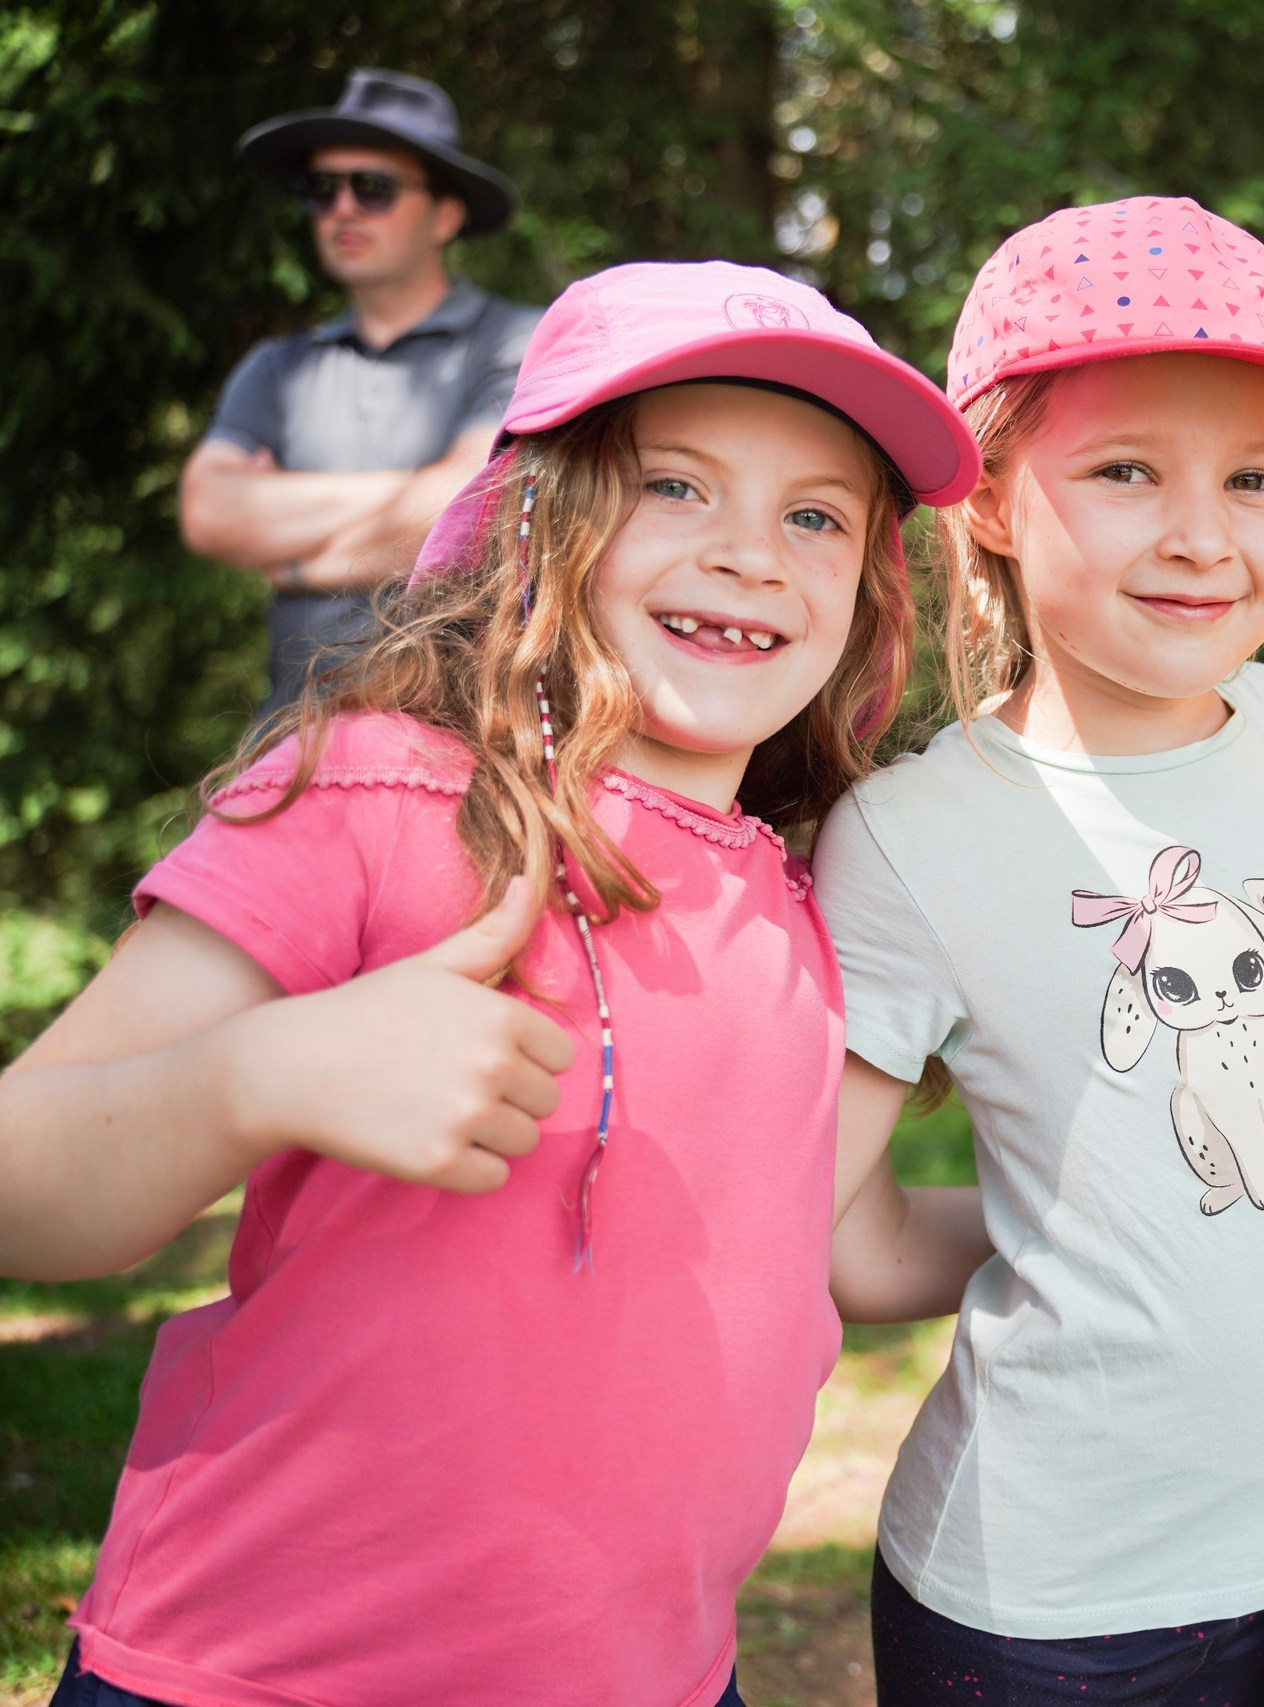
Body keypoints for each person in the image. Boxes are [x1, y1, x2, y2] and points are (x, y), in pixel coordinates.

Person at [0, 260, 989, 1707]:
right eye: (675, 487)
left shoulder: (807, 898)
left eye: (816, 515)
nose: (753, 553)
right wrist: (261, 1072)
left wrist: (1089, 1210)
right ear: (542, 518)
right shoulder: (380, 787)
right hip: (259, 1675)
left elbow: (854, 1242)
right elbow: (28, 1177)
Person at [810, 196, 1264, 1707]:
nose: (1204, 532)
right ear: (997, 501)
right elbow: (836, 1238)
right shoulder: (915, 835)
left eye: (1255, 476)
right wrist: (1075, 1227)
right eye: (1128, 470)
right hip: (1045, 1599)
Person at [181, 69, 543, 723]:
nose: (343, 207)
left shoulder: (522, 341)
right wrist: (416, 502)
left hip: (465, 747)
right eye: (323, 188)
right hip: (290, 745)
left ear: (446, 215)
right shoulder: (277, 367)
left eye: (373, 187)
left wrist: (298, 563)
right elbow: (208, 510)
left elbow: (479, 508)